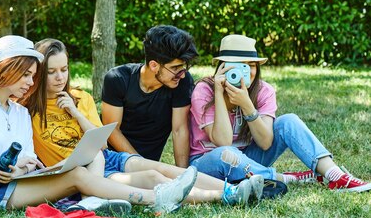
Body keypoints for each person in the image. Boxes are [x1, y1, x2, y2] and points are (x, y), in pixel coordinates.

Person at [0, 35, 198, 215]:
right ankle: (157, 198)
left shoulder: (19, 112)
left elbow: (28, 157)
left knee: (89, 161)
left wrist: (23, 168)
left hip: (19, 181)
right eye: (25, 75)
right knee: (80, 174)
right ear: (6, 72)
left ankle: (93, 202)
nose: (30, 81)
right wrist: (2, 166)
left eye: (33, 76)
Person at [21, 38, 264, 207]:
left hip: (106, 158)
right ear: (40, 73)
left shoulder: (80, 98)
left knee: (166, 170)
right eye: (52, 72)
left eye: (64, 69)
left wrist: (75, 112)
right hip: (78, 173)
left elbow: (101, 143)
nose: (60, 77)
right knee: (154, 179)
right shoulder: (25, 108)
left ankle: (234, 188)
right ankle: (225, 196)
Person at [188, 34, 371, 192]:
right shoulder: (204, 91)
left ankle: (334, 175)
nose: (245, 72)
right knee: (226, 153)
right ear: (222, 67)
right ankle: (285, 178)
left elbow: (266, 142)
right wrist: (219, 94)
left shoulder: (264, 91)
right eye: (237, 66)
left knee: (288, 121)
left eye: (250, 65)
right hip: (208, 164)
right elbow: (223, 142)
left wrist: (247, 107)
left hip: (249, 160)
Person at [101, 25, 198, 165]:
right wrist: (141, 164)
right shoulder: (117, 79)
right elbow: (112, 131)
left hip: (150, 167)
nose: (182, 75)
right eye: (175, 68)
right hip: (111, 160)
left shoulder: (182, 83)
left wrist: (182, 175)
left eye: (183, 67)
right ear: (154, 65)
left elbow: (179, 130)